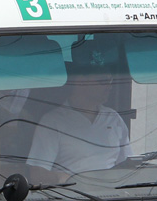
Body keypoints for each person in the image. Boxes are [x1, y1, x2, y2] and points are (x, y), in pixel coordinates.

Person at [26, 47, 130, 181]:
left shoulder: (114, 118)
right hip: (72, 197)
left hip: (111, 195)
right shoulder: (52, 121)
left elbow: (126, 165)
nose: (109, 87)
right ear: (80, 81)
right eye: (102, 81)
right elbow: (37, 173)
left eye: (110, 81)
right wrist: (64, 179)